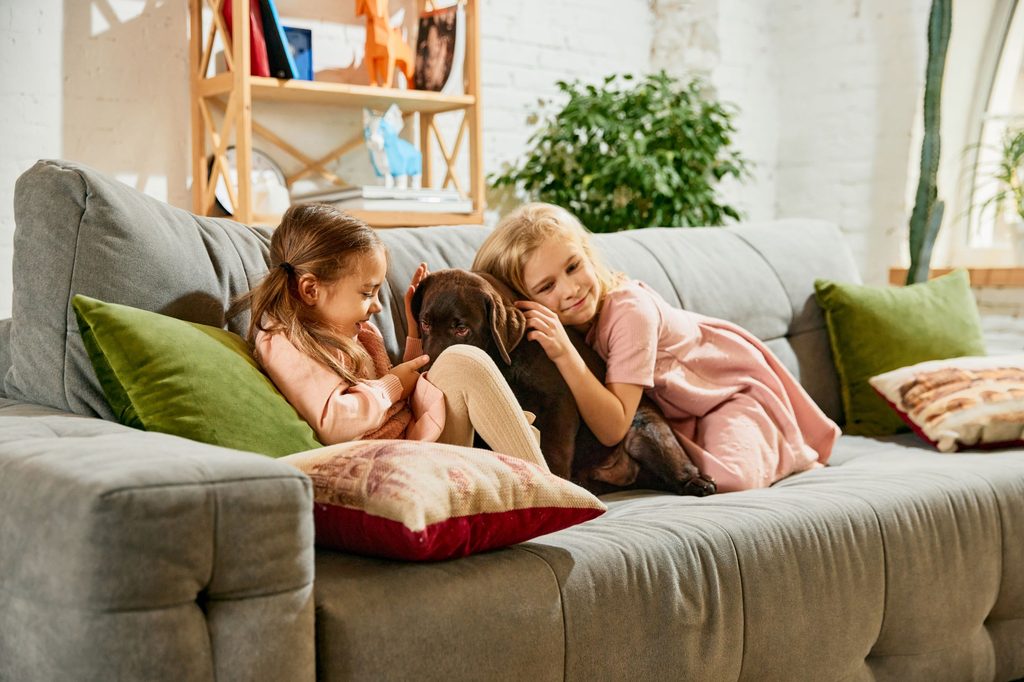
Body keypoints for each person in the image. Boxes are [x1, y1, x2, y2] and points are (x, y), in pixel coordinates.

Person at [472, 202, 840, 492]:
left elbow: (614, 427)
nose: (569, 290)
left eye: (573, 266)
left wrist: (564, 355)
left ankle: (783, 447)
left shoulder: (628, 312)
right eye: (546, 287)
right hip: (684, 410)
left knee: (728, 477)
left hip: (728, 393)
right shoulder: (574, 324)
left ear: (588, 252)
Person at [230, 203, 546, 468]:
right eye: (368, 293)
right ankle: (547, 490)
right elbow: (337, 421)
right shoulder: (285, 341)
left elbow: (400, 393)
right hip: (391, 464)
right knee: (463, 362)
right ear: (311, 289)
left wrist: (414, 333)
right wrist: (392, 384)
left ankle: (532, 484)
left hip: (414, 443)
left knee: (517, 424)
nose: (378, 306)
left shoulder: (356, 334)